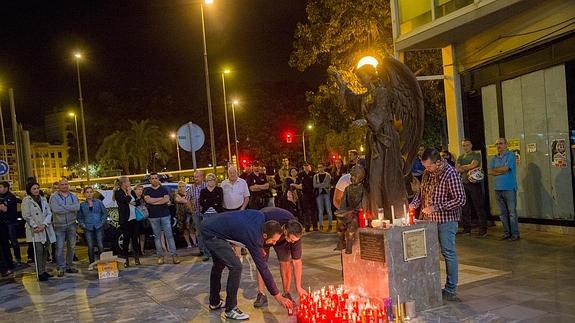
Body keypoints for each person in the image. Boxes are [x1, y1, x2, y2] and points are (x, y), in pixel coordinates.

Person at [201, 210, 294, 320]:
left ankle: (214, 302)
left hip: (211, 224)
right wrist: (278, 297)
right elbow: (263, 268)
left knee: (218, 265)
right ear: (264, 235)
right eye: (273, 241)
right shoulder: (254, 237)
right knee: (236, 267)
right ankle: (231, 309)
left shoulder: (260, 217)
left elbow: (244, 230)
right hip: (212, 234)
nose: (274, 244)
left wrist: (259, 248)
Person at [409, 148, 466, 302]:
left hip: (446, 220)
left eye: (429, 166)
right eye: (425, 167)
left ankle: (450, 288)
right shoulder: (427, 174)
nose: (427, 169)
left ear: (438, 162)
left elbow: (460, 199)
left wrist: (437, 207)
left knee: (448, 252)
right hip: (428, 221)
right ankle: (431, 285)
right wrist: (413, 205)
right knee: (429, 253)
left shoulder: (450, 173)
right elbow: (421, 194)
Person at [254, 207, 306, 308]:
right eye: (291, 239)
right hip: (265, 233)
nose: (293, 242)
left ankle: (286, 293)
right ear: (285, 231)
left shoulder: (295, 236)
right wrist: (259, 246)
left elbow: (297, 262)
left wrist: (298, 287)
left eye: (294, 241)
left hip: (282, 240)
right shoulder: (268, 221)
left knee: (285, 262)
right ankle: (261, 294)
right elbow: (256, 229)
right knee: (262, 262)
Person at [22, 182, 56, 281]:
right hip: (35, 230)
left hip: (45, 228)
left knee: (45, 250)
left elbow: (49, 213)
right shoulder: (27, 200)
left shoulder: (43, 199)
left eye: (37, 188)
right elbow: (26, 216)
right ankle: (39, 272)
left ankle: (43, 270)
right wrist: (35, 226)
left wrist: (44, 224)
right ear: (29, 190)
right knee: (38, 251)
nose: (36, 190)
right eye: (34, 189)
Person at [144, 173, 180, 265]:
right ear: (150, 180)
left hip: (165, 215)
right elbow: (148, 200)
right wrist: (160, 199)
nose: (154, 180)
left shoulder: (164, 189)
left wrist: (154, 201)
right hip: (153, 217)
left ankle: (174, 256)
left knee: (169, 236)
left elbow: (166, 200)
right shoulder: (147, 190)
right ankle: (160, 256)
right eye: (152, 178)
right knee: (157, 237)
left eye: (156, 178)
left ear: (158, 179)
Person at [488, 138, 519, 241]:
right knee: (502, 213)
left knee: (512, 213)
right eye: (497, 144)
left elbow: (506, 169)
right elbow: (489, 171)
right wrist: (501, 171)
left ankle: (514, 234)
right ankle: (506, 233)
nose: (498, 146)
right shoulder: (494, 158)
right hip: (497, 188)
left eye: (500, 143)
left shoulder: (510, 155)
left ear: (506, 145)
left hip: (509, 187)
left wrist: (498, 170)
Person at [456, 139, 488, 237]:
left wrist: (464, 167)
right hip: (463, 183)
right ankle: (467, 229)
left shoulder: (476, 155)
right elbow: (457, 168)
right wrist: (468, 167)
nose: (465, 147)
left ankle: (483, 229)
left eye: (467, 145)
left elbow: (473, 165)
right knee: (465, 207)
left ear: (471, 145)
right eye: (464, 145)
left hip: (474, 184)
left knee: (479, 206)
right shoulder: (460, 157)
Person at [49, 178, 81, 277]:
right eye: (62, 184)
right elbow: (55, 209)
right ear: (58, 186)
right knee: (59, 247)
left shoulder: (73, 196)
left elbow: (77, 207)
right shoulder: (53, 197)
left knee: (71, 246)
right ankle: (61, 267)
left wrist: (63, 206)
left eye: (66, 184)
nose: (64, 186)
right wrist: (69, 207)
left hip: (71, 224)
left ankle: (69, 266)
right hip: (59, 225)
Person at [78, 187, 108, 270]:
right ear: (84, 194)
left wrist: (101, 223)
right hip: (88, 228)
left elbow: (104, 213)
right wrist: (83, 225)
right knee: (90, 246)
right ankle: (91, 264)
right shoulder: (82, 205)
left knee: (100, 245)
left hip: (98, 226)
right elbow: (79, 217)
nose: (89, 194)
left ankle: (102, 263)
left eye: (91, 192)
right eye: (87, 192)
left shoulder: (98, 202)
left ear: (93, 193)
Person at [115, 177, 141, 267]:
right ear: (124, 183)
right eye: (128, 181)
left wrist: (130, 198)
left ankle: (137, 258)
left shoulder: (132, 192)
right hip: (125, 220)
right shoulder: (118, 193)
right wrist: (129, 195)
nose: (129, 183)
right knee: (126, 240)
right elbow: (125, 200)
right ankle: (125, 260)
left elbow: (137, 202)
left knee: (135, 239)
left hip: (134, 219)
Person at [187, 170, 209, 261]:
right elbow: (187, 199)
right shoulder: (191, 188)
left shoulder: (206, 186)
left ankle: (209, 251)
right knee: (199, 232)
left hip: (205, 213)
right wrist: (191, 210)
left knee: (207, 232)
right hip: (196, 213)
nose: (196, 178)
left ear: (202, 177)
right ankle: (202, 250)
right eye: (195, 177)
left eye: (198, 176)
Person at [0, 181, 18, 268]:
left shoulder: (10, 197)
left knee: (13, 241)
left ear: (6, 188)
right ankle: (8, 260)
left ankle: (17, 258)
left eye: (1, 187)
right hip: (2, 224)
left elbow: (5, 209)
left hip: (10, 223)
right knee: (5, 243)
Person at [173, 181, 196, 249]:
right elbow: (180, 200)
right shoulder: (176, 194)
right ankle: (189, 244)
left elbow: (192, 202)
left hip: (189, 213)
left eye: (183, 186)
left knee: (191, 229)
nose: (181, 188)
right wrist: (186, 200)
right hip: (181, 215)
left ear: (185, 187)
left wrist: (186, 200)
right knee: (185, 230)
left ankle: (195, 243)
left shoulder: (189, 193)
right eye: (180, 186)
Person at [297, 162, 318, 231]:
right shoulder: (300, 175)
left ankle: (315, 226)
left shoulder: (313, 174)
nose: (306, 167)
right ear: (303, 167)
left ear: (310, 166)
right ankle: (307, 226)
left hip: (312, 194)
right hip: (304, 194)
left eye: (307, 166)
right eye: (305, 166)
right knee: (306, 211)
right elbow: (298, 183)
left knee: (313, 210)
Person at [313, 161, 333, 232]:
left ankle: (330, 225)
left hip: (326, 193)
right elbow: (315, 185)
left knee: (328, 209)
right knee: (320, 210)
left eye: (321, 167)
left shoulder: (328, 175)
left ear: (324, 167)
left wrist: (320, 185)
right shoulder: (315, 176)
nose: (320, 169)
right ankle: (321, 225)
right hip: (319, 194)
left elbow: (328, 184)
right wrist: (323, 185)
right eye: (318, 167)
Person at [132, 184, 149, 255]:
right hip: (134, 218)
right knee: (135, 235)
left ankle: (142, 250)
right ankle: (136, 250)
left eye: (141, 190)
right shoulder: (132, 197)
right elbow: (133, 204)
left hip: (143, 218)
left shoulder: (143, 198)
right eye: (139, 189)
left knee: (142, 235)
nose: (140, 191)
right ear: (135, 190)